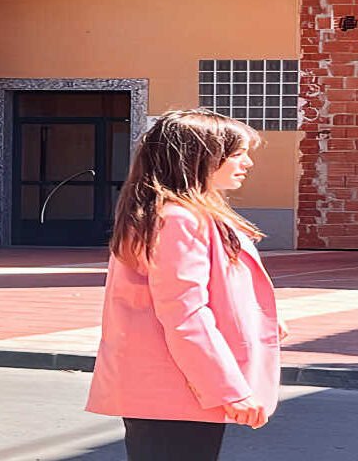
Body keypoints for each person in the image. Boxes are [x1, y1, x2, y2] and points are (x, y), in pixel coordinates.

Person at [86, 109, 286, 461]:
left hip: (174, 386)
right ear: (201, 158)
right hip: (175, 387)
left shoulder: (181, 214)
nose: (248, 163)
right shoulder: (178, 219)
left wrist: (259, 322)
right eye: (237, 153)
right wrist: (226, 389)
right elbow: (184, 313)